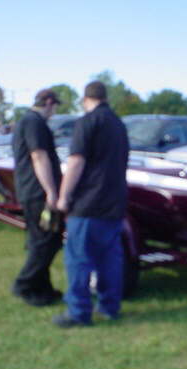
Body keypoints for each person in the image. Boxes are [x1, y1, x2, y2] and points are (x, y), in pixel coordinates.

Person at [53, 81, 130, 328]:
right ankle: (109, 307)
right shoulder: (119, 125)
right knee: (109, 259)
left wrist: (63, 197)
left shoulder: (86, 123)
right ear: (105, 98)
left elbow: (76, 162)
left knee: (78, 259)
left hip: (88, 203)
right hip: (115, 200)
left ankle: (78, 312)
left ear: (85, 100)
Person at [11, 88, 64, 306]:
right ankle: (24, 284)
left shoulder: (26, 121)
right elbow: (38, 156)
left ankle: (42, 291)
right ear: (49, 102)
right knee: (47, 241)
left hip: (30, 190)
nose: (55, 111)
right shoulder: (35, 123)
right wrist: (51, 191)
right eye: (56, 106)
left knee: (38, 241)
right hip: (38, 193)